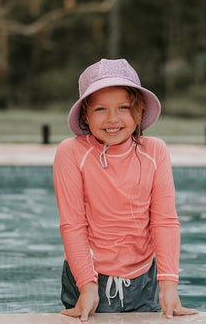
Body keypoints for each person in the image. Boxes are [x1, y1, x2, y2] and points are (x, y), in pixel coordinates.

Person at [53, 58, 198, 321]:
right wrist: (87, 285)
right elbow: (73, 224)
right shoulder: (72, 153)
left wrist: (168, 284)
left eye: (124, 107)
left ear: (140, 110)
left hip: (144, 278)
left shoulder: (155, 151)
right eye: (100, 109)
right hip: (89, 276)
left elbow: (164, 221)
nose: (113, 119)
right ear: (85, 114)